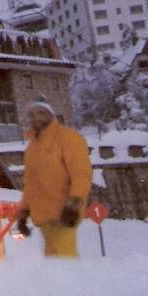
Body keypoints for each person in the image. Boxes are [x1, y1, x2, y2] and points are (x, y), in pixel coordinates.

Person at [16, 100, 92, 258]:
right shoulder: (32, 148)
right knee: (52, 259)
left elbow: (81, 174)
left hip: (64, 211)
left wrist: (74, 203)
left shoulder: (68, 138)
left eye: (41, 112)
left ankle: (73, 282)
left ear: (51, 114)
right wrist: (23, 212)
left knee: (64, 259)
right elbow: (30, 184)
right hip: (43, 214)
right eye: (32, 114)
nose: (36, 117)